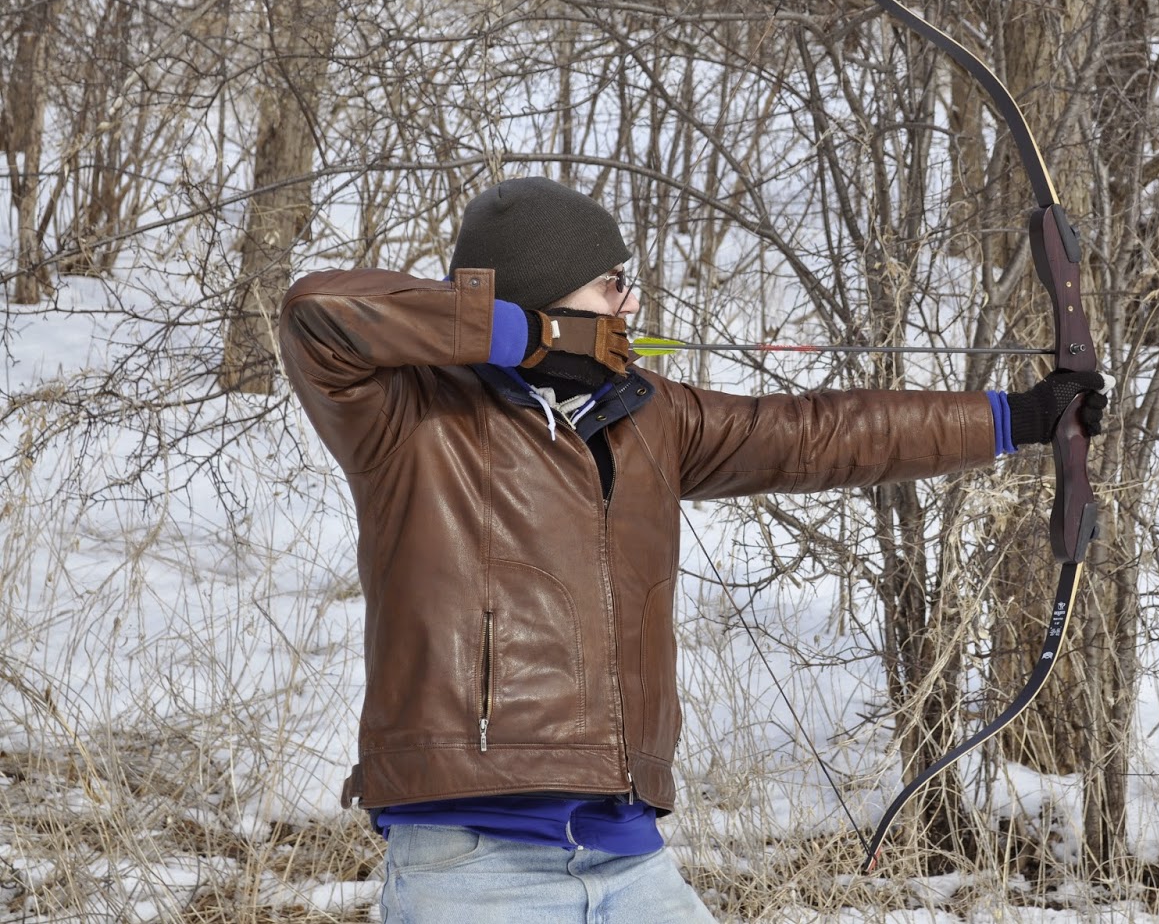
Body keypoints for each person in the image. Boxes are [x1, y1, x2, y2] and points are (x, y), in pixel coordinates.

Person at [278, 176, 1106, 923]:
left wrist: (1020, 419)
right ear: (543, 297)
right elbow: (316, 310)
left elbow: (813, 435)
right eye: (611, 285)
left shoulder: (648, 416)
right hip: (472, 863)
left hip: (628, 858)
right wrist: (520, 335)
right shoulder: (407, 420)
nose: (630, 305)